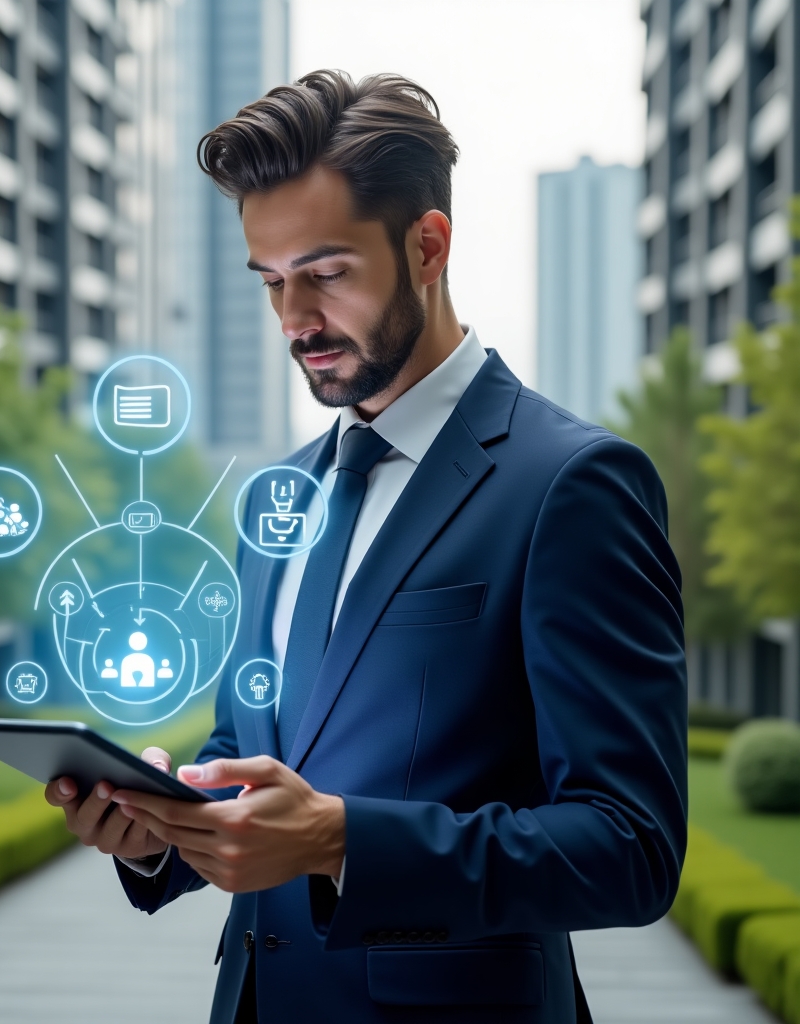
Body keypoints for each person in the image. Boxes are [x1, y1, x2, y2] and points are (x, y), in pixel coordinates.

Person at [46, 70, 687, 1023]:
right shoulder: (279, 494)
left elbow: (629, 848)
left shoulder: (574, 485)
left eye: (327, 272)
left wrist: (341, 843)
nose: (293, 319)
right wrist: (159, 832)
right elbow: (251, 747)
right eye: (270, 280)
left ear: (428, 246)